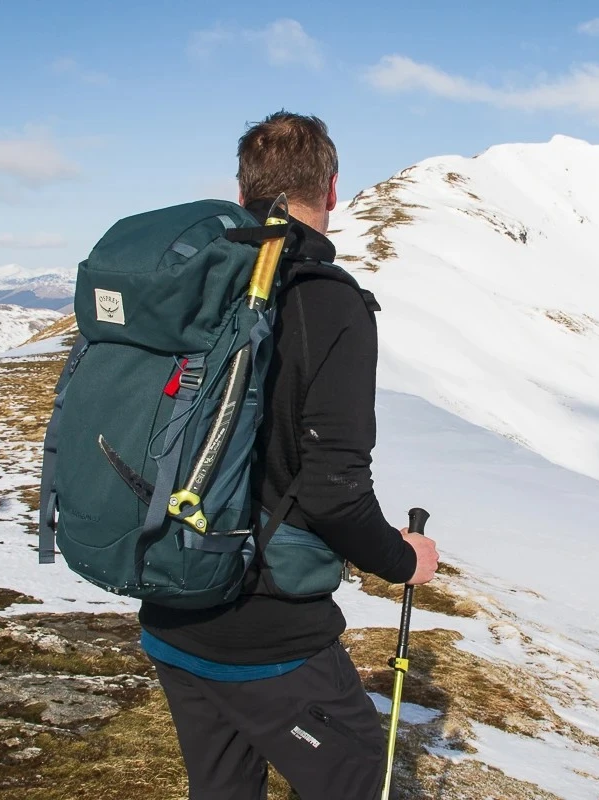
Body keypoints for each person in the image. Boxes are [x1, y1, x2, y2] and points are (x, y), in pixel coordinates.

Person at [138, 111, 440, 800]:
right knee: (362, 782)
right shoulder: (327, 303)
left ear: (241, 189)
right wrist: (403, 560)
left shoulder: (189, 289)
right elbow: (334, 489)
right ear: (332, 190)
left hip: (168, 606)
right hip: (267, 638)